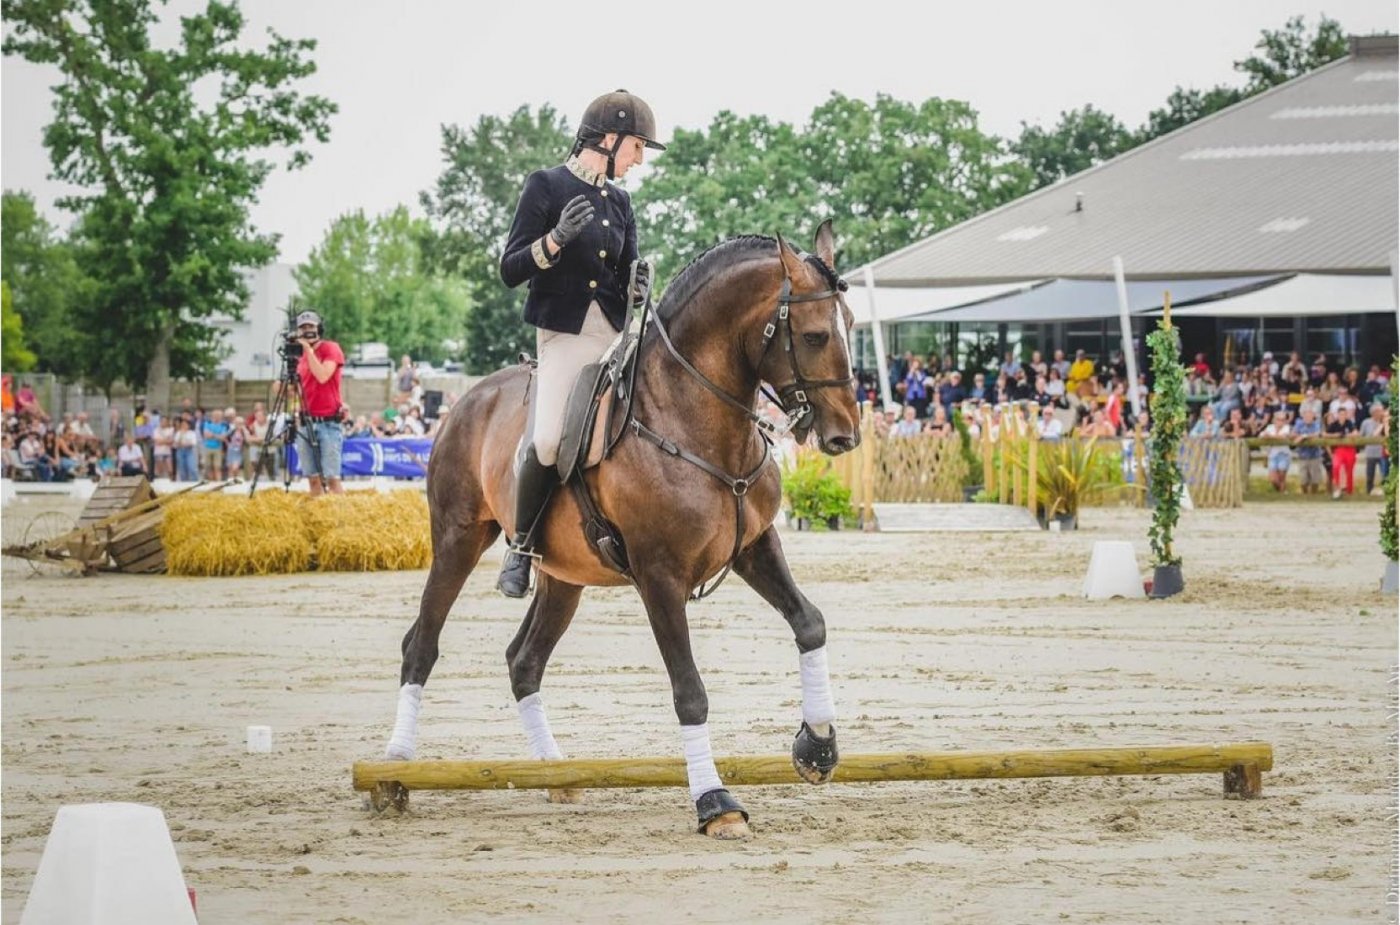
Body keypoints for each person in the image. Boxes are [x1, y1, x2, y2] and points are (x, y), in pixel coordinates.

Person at [494, 89, 664, 598]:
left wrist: (636, 283)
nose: (636, 161)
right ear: (609, 140)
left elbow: (626, 266)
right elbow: (509, 269)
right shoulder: (544, 186)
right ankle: (521, 546)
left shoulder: (621, 201)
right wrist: (552, 243)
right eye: (636, 148)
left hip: (614, 331)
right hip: (565, 334)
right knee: (547, 440)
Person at [293, 309, 347, 496]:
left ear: (319, 328)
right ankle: (319, 514)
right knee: (313, 478)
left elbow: (323, 376)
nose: (306, 330)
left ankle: (340, 516)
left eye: (310, 326)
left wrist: (308, 351)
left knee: (332, 478)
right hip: (305, 421)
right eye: (302, 327)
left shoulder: (330, 348)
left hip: (328, 422)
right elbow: (295, 389)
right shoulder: (298, 358)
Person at [1326, 405, 1358, 499]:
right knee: (1336, 466)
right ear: (1337, 415)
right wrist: (1335, 435)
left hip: (1349, 449)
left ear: (1346, 415)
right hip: (1338, 449)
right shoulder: (1334, 424)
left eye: (1344, 414)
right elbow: (1325, 434)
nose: (1342, 416)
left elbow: (1356, 433)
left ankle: (1349, 491)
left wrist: (1346, 435)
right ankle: (1338, 488)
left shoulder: (1349, 423)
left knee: (1349, 471)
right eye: (1340, 414)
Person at [1292, 407, 1325, 495]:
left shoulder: (1316, 424)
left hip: (1315, 455)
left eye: (1310, 416)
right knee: (1303, 479)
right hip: (1302, 455)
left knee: (1315, 479)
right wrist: (1299, 436)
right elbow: (1293, 434)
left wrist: (1304, 436)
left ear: (1313, 417)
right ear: (1303, 417)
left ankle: (1313, 495)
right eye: (1306, 417)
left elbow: (1317, 434)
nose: (1308, 418)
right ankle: (1305, 494)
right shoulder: (1299, 424)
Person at [1360, 403, 1389, 496]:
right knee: (1370, 474)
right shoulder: (1366, 422)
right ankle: (1369, 491)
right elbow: (1362, 435)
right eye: (1378, 411)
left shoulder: (1385, 422)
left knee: (1384, 474)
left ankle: (1386, 491)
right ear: (1373, 412)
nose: (1380, 413)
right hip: (1370, 452)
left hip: (1382, 452)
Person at [1261, 411, 1292, 492]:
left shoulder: (1287, 427)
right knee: (1273, 479)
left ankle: (1282, 495)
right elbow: (1262, 435)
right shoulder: (1270, 427)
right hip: (1272, 454)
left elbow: (1283, 436)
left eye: (1283, 420)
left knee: (1282, 476)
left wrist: (1270, 436)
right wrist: (1267, 436)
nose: (1280, 421)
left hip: (1284, 454)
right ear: (1274, 420)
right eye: (1278, 419)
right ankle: (1282, 490)